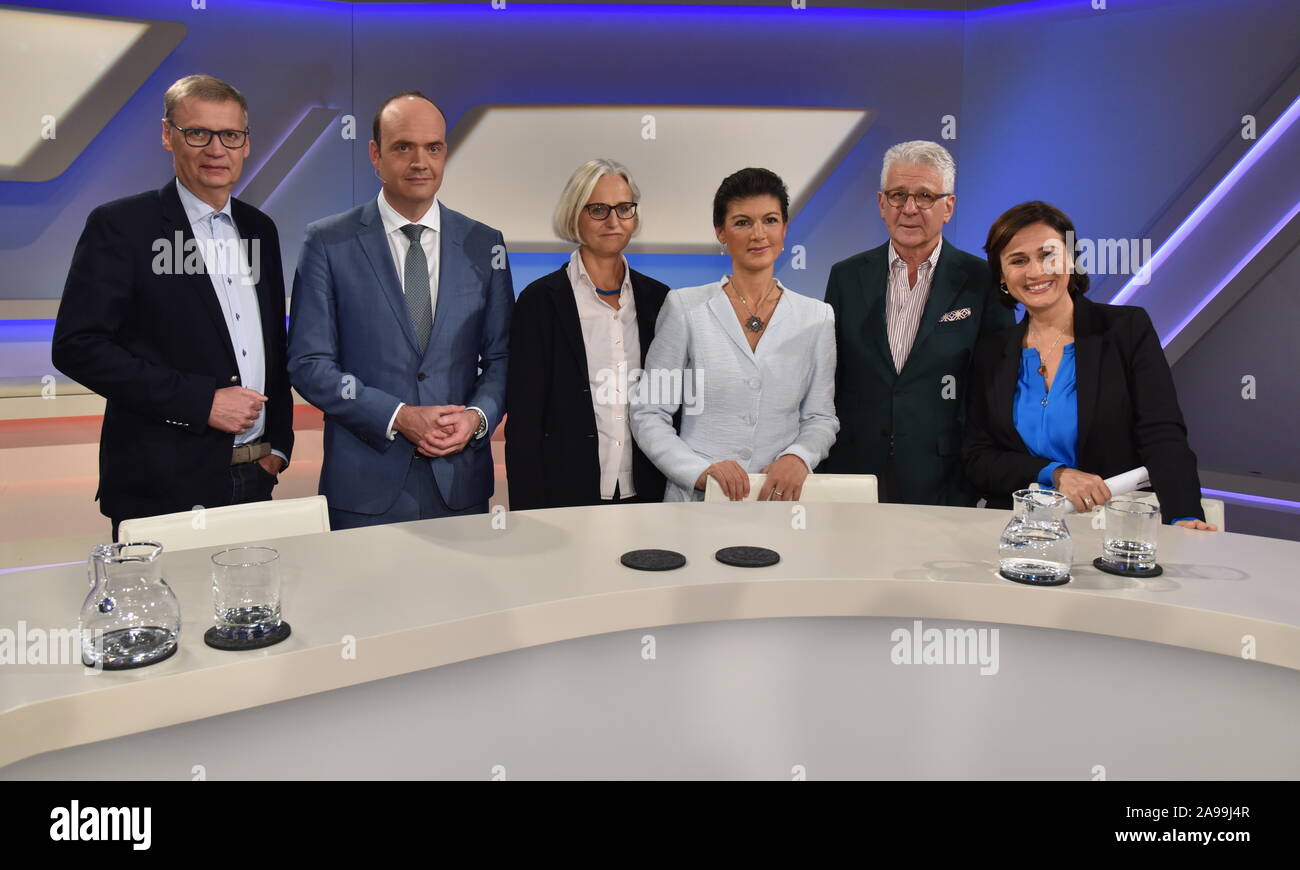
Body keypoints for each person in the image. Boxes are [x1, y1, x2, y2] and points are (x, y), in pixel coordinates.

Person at [52, 75, 293, 541]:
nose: (215, 149)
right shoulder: (121, 226)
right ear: (168, 136)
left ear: (245, 144)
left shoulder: (260, 228)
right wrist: (201, 401)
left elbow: (269, 343)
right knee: (165, 614)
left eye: (230, 135)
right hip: (160, 483)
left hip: (254, 476)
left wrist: (278, 445)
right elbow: (77, 346)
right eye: (197, 133)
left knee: (249, 611)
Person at [288, 91, 513, 529]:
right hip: (364, 487)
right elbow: (309, 363)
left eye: (433, 148)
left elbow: (502, 358)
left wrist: (476, 418)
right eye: (403, 147)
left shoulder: (485, 245)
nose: (420, 162)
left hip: (460, 484)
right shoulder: (328, 242)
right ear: (375, 154)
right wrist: (397, 416)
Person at [963, 201, 1216, 529]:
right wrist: (1054, 473)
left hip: (1113, 528)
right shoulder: (990, 352)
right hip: (1020, 530)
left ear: (1070, 258)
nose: (1036, 271)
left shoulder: (1126, 329)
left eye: (1048, 254)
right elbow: (978, 457)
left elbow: (1162, 432)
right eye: (1018, 260)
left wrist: (1183, 514)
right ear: (1002, 276)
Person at [822, 141, 1012, 505]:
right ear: (881, 203)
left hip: (946, 477)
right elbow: (832, 377)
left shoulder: (981, 279)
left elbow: (994, 390)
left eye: (925, 196)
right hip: (853, 471)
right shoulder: (845, 277)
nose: (909, 208)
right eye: (897, 195)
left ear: (948, 207)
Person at [631, 168, 838, 502]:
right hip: (698, 503)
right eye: (742, 222)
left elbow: (820, 417)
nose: (758, 234)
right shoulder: (686, 307)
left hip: (780, 503)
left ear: (785, 229)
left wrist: (798, 457)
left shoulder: (816, 317)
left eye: (770, 220)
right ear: (721, 232)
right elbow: (649, 412)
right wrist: (698, 472)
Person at [505, 159, 671, 509]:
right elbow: (524, 423)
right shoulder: (538, 302)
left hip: (650, 493)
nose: (614, 221)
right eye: (599, 209)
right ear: (574, 215)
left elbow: (672, 408)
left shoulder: (661, 301)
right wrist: (526, 514)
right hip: (565, 497)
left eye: (624, 208)